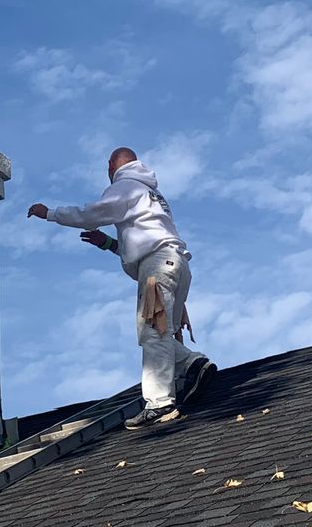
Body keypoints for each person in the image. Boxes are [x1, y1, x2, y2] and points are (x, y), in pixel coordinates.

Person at [27, 148, 216, 429]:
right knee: (161, 333)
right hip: (175, 266)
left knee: (152, 332)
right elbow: (143, 244)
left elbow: (91, 214)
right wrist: (107, 244)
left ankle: (160, 402)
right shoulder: (151, 195)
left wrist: (50, 213)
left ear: (112, 166)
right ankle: (193, 365)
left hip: (158, 268)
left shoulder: (125, 186)